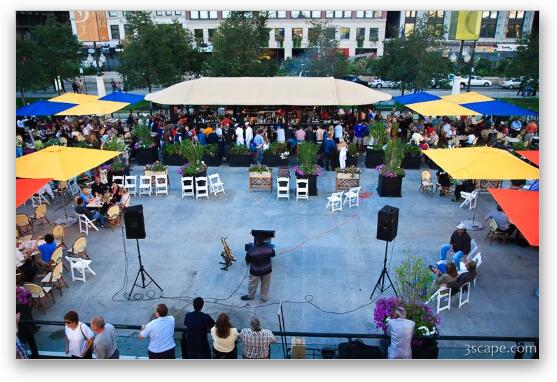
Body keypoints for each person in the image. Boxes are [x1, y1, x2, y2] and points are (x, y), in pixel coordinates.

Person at [241, 235, 276, 302]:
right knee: (265, 284)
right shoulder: (269, 248)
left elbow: (248, 260)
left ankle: (251, 296)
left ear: (255, 242)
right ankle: (264, 297)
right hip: (267, 270)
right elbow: (273, 254)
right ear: (263, 241)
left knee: (252, 284)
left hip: (255, 271)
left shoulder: (251, 250)